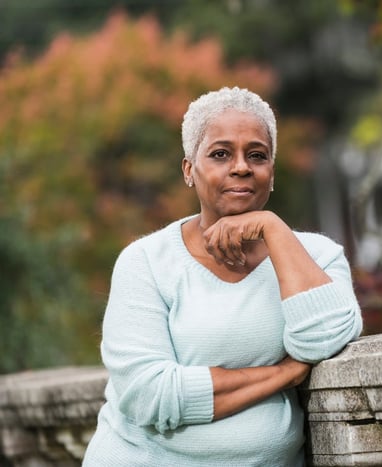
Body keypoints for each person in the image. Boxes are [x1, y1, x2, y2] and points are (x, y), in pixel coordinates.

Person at [82, 86, 363, 466]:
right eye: (220, 154)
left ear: (271, 172)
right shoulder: (146, 262)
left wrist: (273, 229)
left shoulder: (316, 256)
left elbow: (323, 339)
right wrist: (285, 373)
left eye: (257, 155)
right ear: (189, 170)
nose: (242, 166)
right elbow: (149, 394)